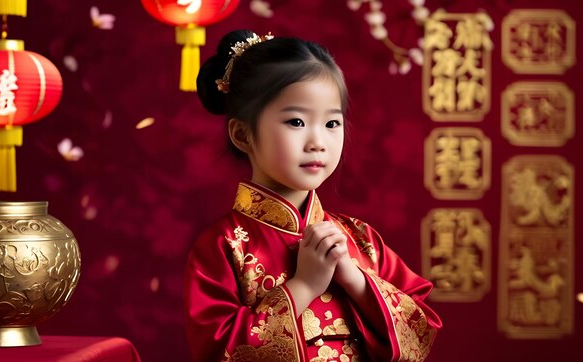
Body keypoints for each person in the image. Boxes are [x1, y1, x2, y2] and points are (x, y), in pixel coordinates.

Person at [184, 29, 442, 362]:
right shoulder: (224, 246)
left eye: (332, 123)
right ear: (242, 134)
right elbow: (217, 352)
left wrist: (355, 279)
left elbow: (420, 331)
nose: (318, 141)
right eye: (296, 121)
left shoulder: (360, 239)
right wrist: (303, 286)